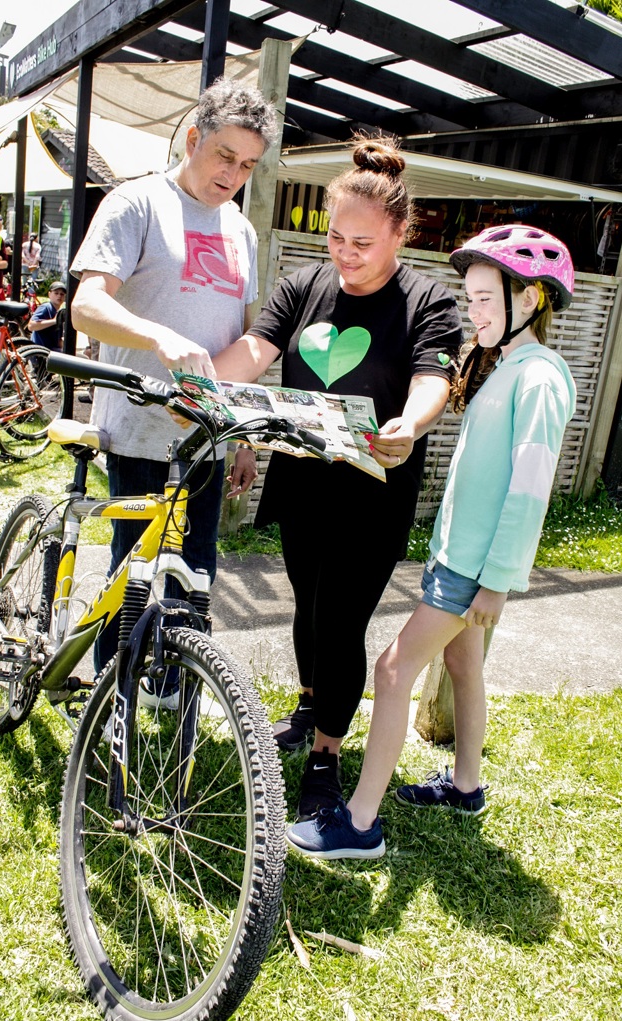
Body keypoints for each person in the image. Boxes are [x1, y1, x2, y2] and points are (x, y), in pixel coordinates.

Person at [285, 224, 577, 859]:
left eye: (484, 300)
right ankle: (467, 786)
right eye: (468, 299)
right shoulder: (507, 366)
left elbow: (529, 490)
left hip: (473, 568)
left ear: (528, 300)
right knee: (463, 665)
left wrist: (497, 581)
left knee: (392, 672)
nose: (471, 313)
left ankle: (358, 825)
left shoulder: (541, 377)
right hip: (461, 558)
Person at [212, 134, 463, 821]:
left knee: (341, 617)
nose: (345, 255)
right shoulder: (303, 284)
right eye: (335, 239)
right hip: (302, 485)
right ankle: (310, 703)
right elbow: (257, 349)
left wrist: (409, 424)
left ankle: (326, 752)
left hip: (372, 496)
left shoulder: (428, 302)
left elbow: (431, 378)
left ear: (400, 233)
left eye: (363, 243)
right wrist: (201, 383)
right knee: (306, 604)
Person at [70, 76, 278, 694]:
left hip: (208, 434)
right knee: (132, 571)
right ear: (193, 138)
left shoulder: (241, 230)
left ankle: (176, 692)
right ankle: (115, 697)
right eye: (224, 155)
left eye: (248, 165)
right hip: (138, 424)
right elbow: (85, 305)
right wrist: (158, 337)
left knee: (196, 571)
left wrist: (243, 434)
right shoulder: (135, 204)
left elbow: (246, 334)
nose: (234, 174)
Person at [27, 281, 67, 350]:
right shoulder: (46, 307)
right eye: (56, 293)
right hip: (41, 352)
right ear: (49, 294)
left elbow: (59, 342)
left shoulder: (58, 313)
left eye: (62, 294)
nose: (59, 296)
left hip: (53, 350)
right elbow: (31, 326)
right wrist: (54, 321)